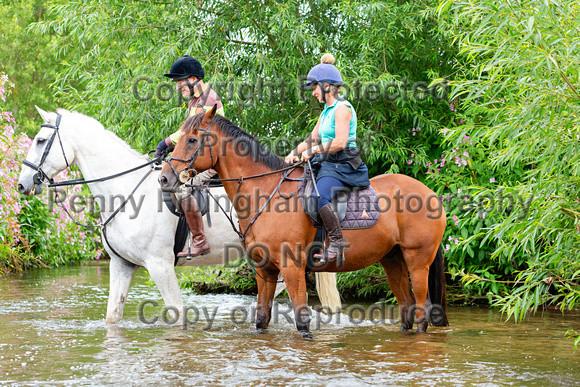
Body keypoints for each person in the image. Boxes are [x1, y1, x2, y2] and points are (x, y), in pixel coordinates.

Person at [285, 54, 370, 262]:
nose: (313, 93)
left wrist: (313, 151)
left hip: (344, 163)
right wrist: (292, 154)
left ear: (326, 86)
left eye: (315, 88)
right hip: (329, 163)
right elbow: (311, 139)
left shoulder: (342, 109)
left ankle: (337, 242)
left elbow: (340, 142)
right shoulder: (326, 112)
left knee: (318, 196)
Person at [155, 55, 225, 258]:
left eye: (179, 82)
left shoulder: (207, 98)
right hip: (198, 157)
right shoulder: (196, 100)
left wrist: (167, 141)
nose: (178, 87)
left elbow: (192, 131)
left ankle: (200, 241)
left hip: (211, 161)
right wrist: (173, 148)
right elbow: (186, 132)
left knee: (183, 188)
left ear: (193, 78)